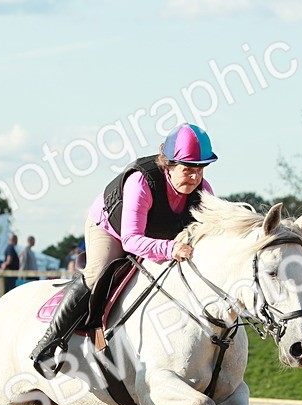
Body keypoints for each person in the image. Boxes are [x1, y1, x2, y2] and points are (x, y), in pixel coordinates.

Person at [30, 123, 218, 376]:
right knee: (98, 272)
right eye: (188, 169)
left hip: (155, 235)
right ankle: (51, 341)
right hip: (111, 229)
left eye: (200, 169)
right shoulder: (142, 181)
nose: (195, 177)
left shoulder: (204, 192)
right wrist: (171, 247)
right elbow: (131, 241)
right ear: (169, 165)